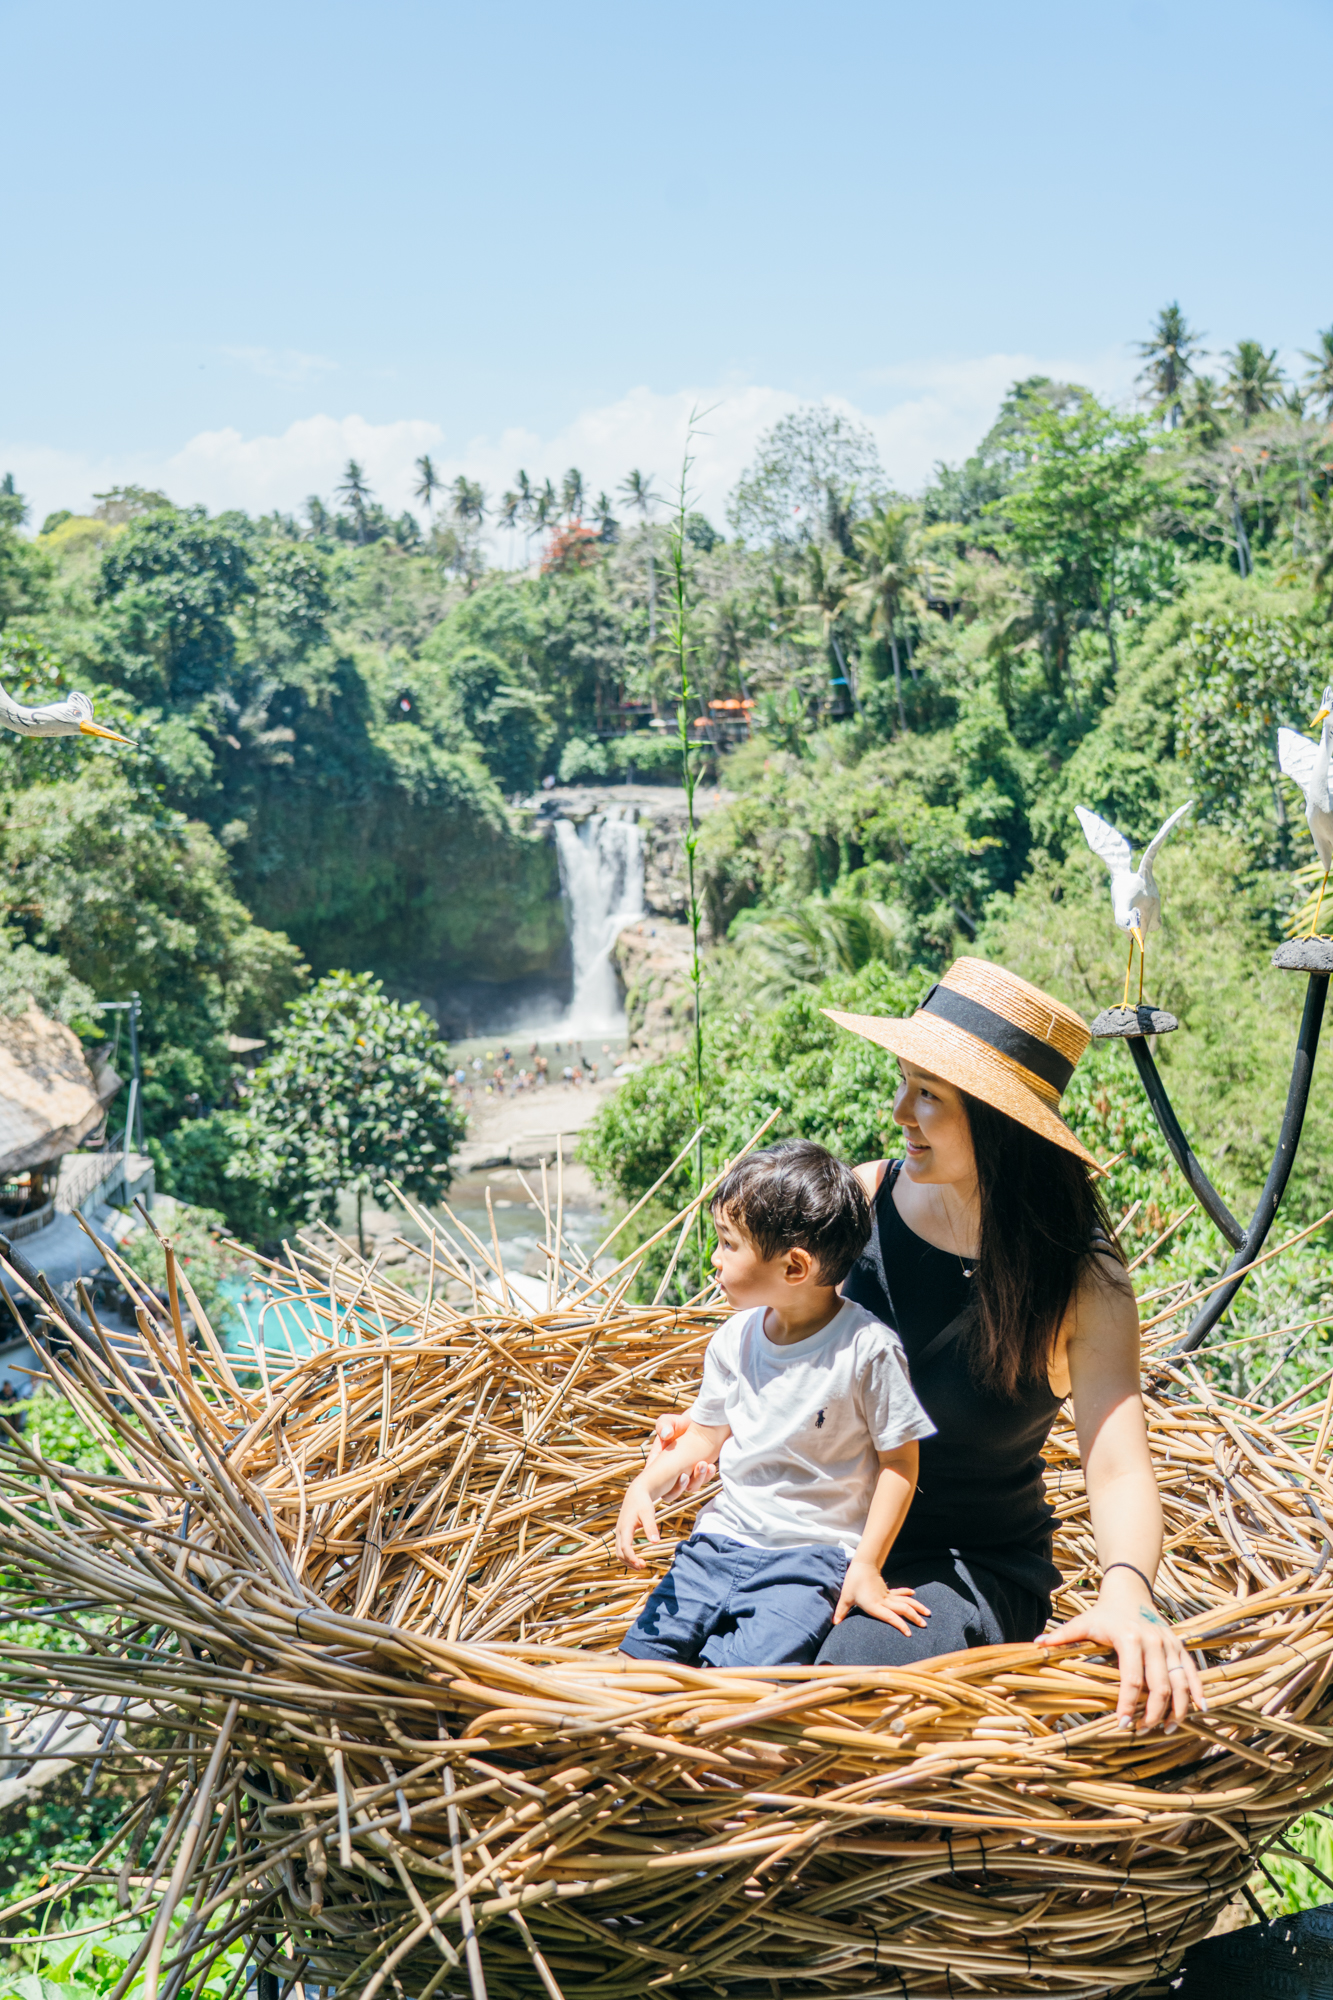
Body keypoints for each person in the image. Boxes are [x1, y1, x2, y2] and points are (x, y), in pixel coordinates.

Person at [651, 959, 1205, 1731]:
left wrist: (1126, 1591)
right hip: (817, 1539)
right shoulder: (862, 1200)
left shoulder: (1079, 1279)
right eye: (904, 1081)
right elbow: (778, 1337)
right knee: (685, 1678)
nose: (899, 1110)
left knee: (835, 1691)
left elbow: (1115, 1466)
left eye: (929, 1095)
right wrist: (707, 1426)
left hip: (957, 1567)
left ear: (1000, 1122)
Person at [615, 1142, 936, 1669]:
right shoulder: (734, 1338)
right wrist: (645, 1484)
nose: (715, 1259)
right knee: (636, 1670)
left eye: (728, 1243)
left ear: (794, 1268)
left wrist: (867, 1565)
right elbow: (704, 1434)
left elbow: (899, 1463)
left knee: (735, 1697)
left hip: (808, 1564)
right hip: (715, 1545)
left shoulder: (868, 1351)